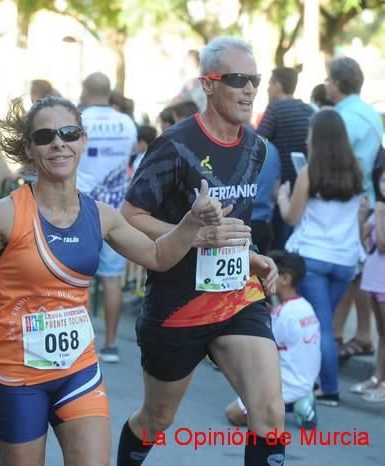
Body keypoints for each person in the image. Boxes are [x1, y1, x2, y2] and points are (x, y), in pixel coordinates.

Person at [0, 95, 224, 466]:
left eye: (68, 133)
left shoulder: (101, 215)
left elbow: (158, 256)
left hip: (77, 368)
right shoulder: (4, 214)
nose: (58, 142)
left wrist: (189, 223)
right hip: (16, 375)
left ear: (82, 140)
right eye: (45, 136)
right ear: (29, 148)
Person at [119, 37, 282, 466]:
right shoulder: (175, 145)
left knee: (269, 416)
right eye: (237, 80)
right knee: (156, 418)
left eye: (255, 80)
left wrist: (250, 256)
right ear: (208, 85)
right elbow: (131, 216)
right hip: (178, 303)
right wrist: (192, 234)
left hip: (236, 298)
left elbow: (229, 227)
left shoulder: (256, 148)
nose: (249, 89)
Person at [277, 109, 364, 407]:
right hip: (345, 260)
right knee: (324, 324)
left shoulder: (309, 173)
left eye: (310, 132)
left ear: (318, 137)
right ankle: (318, 381)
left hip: (313, 258)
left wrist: (282, 197)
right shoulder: (357, 171)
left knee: (319, 325)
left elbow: (291, 216)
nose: (307, 137)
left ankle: (328, 388)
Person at [325, 56, 384, 361]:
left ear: (337, 83)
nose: (325, 84)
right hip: (368, 202)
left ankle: (336, 335)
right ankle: (360, 335)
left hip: (351, 204)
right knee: (360, 276)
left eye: (328, 79)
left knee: (348, 273)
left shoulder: (345, 118)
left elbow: (333, 161)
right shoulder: (369, 113)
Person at [77, 72, 138, 363]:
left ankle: (83, 346)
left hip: (81, 207)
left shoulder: (79, 120)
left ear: (85, 91)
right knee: (112, 281)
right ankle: (110, 345)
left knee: (80, 282)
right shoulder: (127, 123)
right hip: (116, 208)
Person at [226, 251, 320, 429]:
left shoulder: (284, 315)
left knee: (234, 415)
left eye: (269, 274)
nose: (262, 279)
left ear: (285, 279)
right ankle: (300, 397)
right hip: (305, 376)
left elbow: (259, 346)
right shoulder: (304, 307)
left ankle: (297, 402)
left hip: (289, 381)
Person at [256, 67, 314, 250]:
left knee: (280, 246)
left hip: (282, 190)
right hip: (306, 188)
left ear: (278, 85)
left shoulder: (275, 109)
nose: (267, 89)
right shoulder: (308, 110)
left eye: (269, 84)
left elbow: (257, 143)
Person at [352, 163, 385, 402]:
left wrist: (380, 213)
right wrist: (365, 216)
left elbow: (383, 243)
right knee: (381, 333)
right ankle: (377, 377)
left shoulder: (382, 210)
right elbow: (365, 243)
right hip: (374, 278)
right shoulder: (379, 210)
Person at [250, 139, 281, 254]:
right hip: (262, 225)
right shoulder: (271, 148)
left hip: (234, 227)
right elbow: (275, 193)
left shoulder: (227, 146)